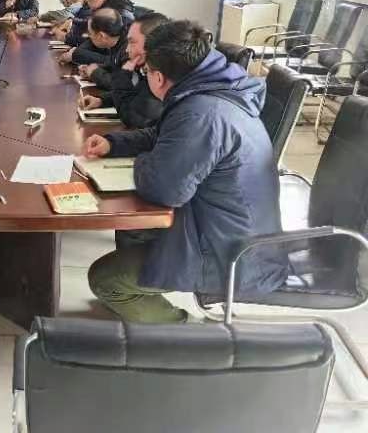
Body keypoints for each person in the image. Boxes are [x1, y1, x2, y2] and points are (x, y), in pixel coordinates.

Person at [82, 20, 287, 323]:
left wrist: (142, 162)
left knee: (105, 279)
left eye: (145, 71)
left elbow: (164, 189)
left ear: (158, 77)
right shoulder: (211, 90)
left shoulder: (201, 114)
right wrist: (114, 143)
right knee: (133, 230)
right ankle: (150, 278)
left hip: (231, 255)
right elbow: (162, 134)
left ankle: (184, 330)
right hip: (227, 230)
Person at [79, 12, 167, 129]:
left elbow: (133, 117)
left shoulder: (164, 75)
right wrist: (102, 100)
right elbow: (135, 93)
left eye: (132, 42)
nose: (127, 49)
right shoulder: (149, 68)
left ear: (153, 43)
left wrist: (123, 75)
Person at [59, 8, 127, 82]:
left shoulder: (129, 48)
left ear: (101, 36)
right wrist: (95, 69)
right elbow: (113, 65)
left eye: (90, 33)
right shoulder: (117, 39)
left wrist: (95, 74)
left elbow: (122, 83)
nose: (88, 36)